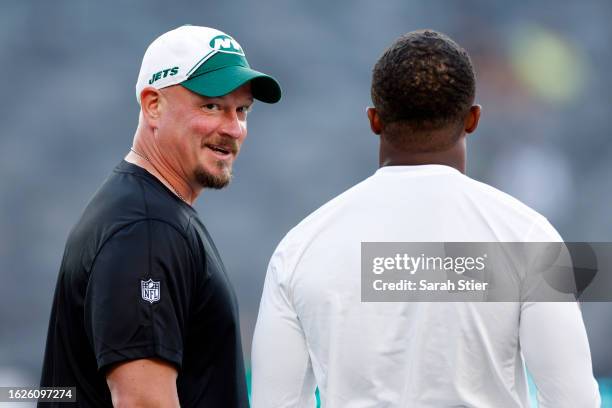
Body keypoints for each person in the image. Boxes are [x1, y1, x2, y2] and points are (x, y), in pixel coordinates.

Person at [251, 30, 599, 407]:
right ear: (472, 119)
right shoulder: (530, 237)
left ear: (374, 120)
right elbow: (574, 400)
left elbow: (275, 402)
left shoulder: (300, 248)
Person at [39, 25, 281, 408]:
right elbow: (142, 403)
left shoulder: (143, 213)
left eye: (242, 110)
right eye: (212, 106)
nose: (233, 128)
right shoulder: (146, 231)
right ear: (153, 105)